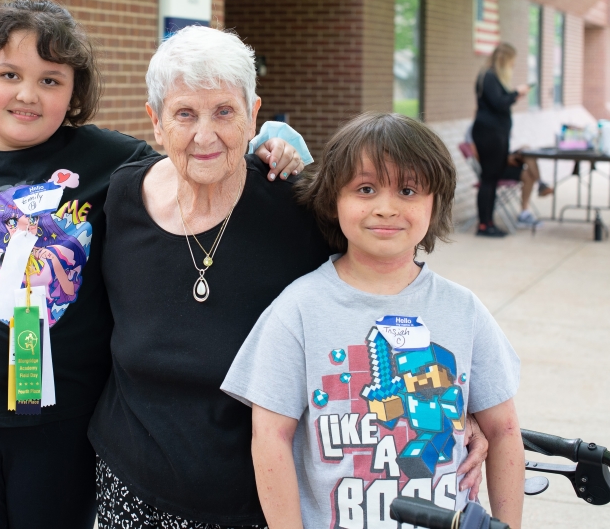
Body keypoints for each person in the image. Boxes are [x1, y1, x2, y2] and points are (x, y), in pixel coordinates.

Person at [0, 0, 304, 529]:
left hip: (63, 421)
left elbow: (195, 152)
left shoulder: (109, 161)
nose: (28, 95)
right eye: (9, 74)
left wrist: (275, 142)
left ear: (74, 93)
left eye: (51, 80)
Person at [88, 27, 490, 529]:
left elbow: (387, 290)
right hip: (131, 486)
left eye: (225, 112)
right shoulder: (122, 197)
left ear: (254, 114)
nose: (205, 134)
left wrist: (456, 403)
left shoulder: (297, 207)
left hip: (262, 499)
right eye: (185, 114)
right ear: (156, 122)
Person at [222, 112, 524, 529]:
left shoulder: (463, 310)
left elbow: (505, 430)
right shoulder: (298, 310)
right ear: (334, 199)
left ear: (435, 201)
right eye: (365, 189)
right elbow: (271, 439)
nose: (386, 208)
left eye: (407, 189)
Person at [470, 43, 550, 236]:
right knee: (489, 179)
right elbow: (499, 103)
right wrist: (516, 93)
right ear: (504, 60)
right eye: (511, 63)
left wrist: (514, 94)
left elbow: (499, 100)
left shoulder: (492, 78)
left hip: (496, 135)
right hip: (489, 135)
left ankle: (489, 222)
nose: (512, 67)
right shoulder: (488, 76)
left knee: (493, 178)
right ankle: (484, 225)